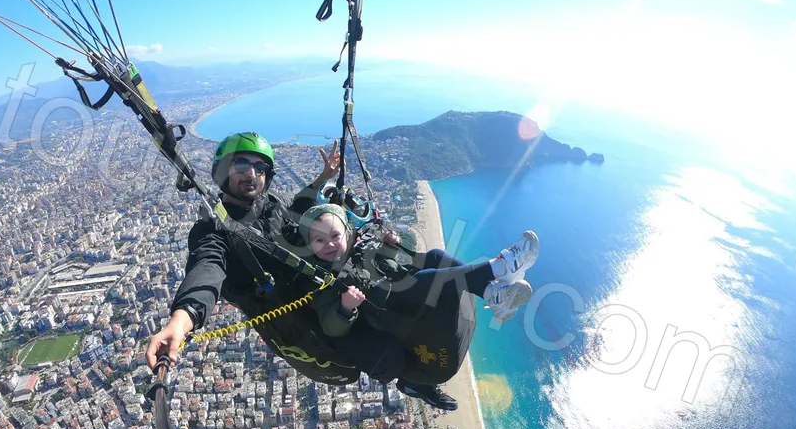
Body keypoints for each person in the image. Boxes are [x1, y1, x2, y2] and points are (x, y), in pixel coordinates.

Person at [145, 132, 349, 378]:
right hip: (293, 317)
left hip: (316, 288)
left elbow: (293, 210)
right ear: (222, 171)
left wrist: (322, 179)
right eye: (241, 165)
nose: (251, 174)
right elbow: (207, 267)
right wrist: (182, 319)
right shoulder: (213, 229)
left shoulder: (269, 202)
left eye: (260, 167)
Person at [296, 203, 539, 410]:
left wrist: (391, 245)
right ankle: (498, 268)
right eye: (319, 240)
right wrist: (345, 307)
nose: (329, 244)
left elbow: (395, 263)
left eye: (334, 236)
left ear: (347, 233)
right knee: (421, 283)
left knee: (434, 256)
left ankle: (493, 293)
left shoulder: (360, 249)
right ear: (309, 246)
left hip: (400, 297)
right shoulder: (323, 281)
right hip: (388, 314)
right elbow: (330, 326)